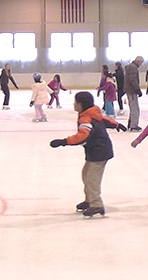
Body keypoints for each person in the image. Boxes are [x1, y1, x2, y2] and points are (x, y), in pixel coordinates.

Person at [49, 90, 124, 218]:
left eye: (75, 102)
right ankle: (89, 200)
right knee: (86, 174)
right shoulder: (91, 113)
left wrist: (64, 141)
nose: (74, 104)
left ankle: (96, 205)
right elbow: (103, 120)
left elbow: (82, 136)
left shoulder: (86, 118)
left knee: (91, 178)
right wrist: (116, 124)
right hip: (96, 150)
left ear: (81, 104)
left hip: (99, 151)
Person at [125, 56, 143, 131]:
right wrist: (137, 89)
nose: (141, 64)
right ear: (138, 61)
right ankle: (133, 125)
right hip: (132, 91)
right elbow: (133, 79)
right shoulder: (133, 68)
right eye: (141, 62)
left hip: (130, 90)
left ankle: (131, 123)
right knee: (135, 109)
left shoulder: (130, 67)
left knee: (132, 108)